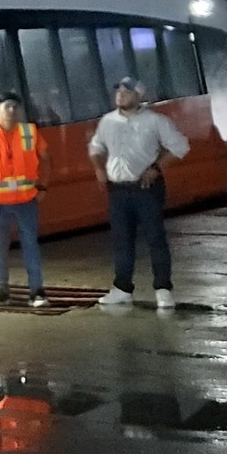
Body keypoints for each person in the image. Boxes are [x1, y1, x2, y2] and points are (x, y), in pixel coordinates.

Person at [87, 76, 190, 309]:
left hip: (146, 189)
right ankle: (122, 288)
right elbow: (95, 146)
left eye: (127, 91)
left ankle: (163, 289)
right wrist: (98, 168)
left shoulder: (156, 121)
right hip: (118, 190)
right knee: (122, 240)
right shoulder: (107, 121)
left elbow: (180, 146)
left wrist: (157, 167)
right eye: (119, 90)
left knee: (155, 238)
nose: (120, 94)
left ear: (138, 96)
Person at [0, 93, 51, 307]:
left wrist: (43, 186)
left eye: (16, 106)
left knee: (30, 245)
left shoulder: (30, 131)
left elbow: (46, 159)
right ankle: (1, 290)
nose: (12, 110)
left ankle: (37, 292)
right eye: (7, 106)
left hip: (26, 200)